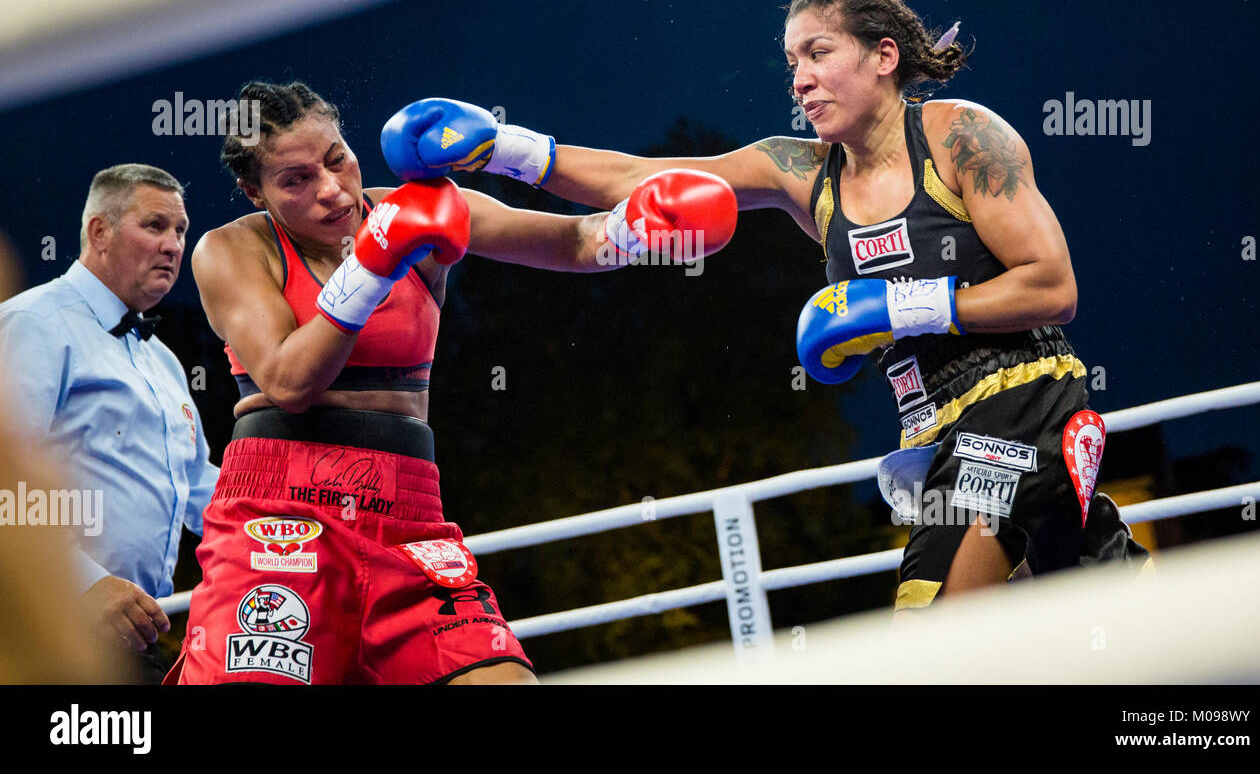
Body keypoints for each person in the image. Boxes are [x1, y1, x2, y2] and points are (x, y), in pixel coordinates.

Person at [383, 0, 1150, 615]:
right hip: (931, 428)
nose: (800, 78)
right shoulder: (802, 169)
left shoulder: (960, 136)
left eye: (819, 53)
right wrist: (502, 149)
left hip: (1020, 404)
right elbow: (640, 181)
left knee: (935, 633)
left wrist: (897, 307)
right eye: (791, 62)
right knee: (1123, 617)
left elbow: (1053, 285)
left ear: (884, 55)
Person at [168, 81, 736, 684]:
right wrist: (373, 262)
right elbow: (288, 380)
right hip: (279, 509)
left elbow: (572, 240)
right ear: (255, 191)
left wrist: (638, 230)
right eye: (296, 179)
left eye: (336, 158)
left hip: (407, 510)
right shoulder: (231, 248)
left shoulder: (418, 207)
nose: (331, 190)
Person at [0, 164, 218, 681]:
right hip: (45, 621)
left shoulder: (162, 361)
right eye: (155, 225)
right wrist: (84, 583)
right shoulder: (35, 323)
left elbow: (202, 490)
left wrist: (284, 541)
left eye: (181, 231)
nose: (172, 245)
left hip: (128, 636)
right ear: (99, 232)